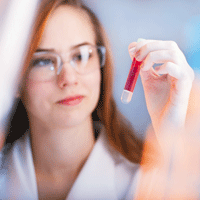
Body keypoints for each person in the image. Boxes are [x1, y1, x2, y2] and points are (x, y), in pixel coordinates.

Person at [0, 0, 194, 199]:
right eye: (44, 61)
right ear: (14, 77)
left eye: (81, 56)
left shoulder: (143, 183)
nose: (68, 79)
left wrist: (170, 131)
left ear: (101, 68)